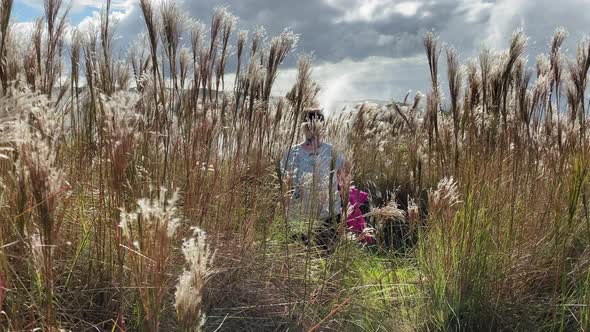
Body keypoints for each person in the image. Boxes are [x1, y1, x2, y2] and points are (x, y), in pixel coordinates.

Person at [280, 108, 345, 250]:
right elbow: (286, 182)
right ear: (303, 127)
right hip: (299, 213)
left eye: (316, 125)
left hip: (327, 212)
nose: (313, 129)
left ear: (322, 127)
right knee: (298, 253)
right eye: (309, 125)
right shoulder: (292, 153)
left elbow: (343, 180)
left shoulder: (333, 151)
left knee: (325, 253)